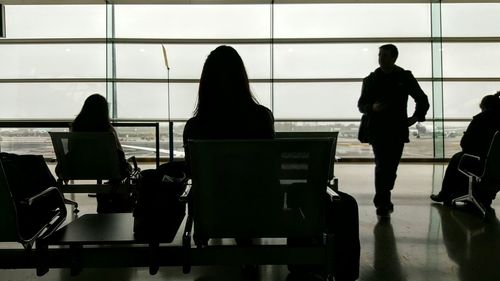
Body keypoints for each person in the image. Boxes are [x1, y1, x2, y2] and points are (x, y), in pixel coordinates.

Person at [183, 45, 360, 281]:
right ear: (242, 79)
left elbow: (193, 175)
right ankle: (315, 267)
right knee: (344, 204)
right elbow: (267, 170)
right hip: (261, 210)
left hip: (215, 214)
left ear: (205, 83)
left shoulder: (194, 127)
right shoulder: (260, 117)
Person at [358, 44, 430, 217]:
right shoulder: (371, 79)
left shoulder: (404, 77)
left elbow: (422, 99)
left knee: (390, 167)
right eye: (380, 55)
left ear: (393, 58)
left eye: (384, 56)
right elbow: (361, 105)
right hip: (378, 130)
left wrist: (415, 118)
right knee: (383, 165)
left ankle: (384, 196)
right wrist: (373, 108)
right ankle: (382, 201)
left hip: (397, 129)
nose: (380, 59)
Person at [431, 92, 500, 207]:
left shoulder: (480, 119)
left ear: (483, 107)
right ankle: (484, 196)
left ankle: (446, 194)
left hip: (484, 162)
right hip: (497, 164)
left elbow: (465, 144)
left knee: (458, 158)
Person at [70, 94, 132, 213]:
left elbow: (72, 150)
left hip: (80, 169)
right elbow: (119, 153)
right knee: (128, 168)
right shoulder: (108, 129)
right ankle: (111, 198)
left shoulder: (76, 127)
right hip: (108, 170)